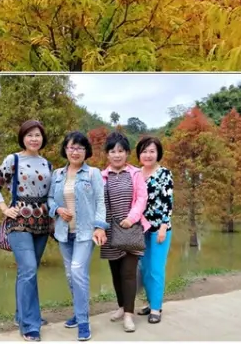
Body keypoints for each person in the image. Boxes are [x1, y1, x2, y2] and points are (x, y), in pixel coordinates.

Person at [0, 120, 54, 342]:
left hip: (42, 223)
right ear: (23, 138)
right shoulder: (13, 159)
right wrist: (4, 209)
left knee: (28, 271)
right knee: (28, 269)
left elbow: (51, 195)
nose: (34, 138)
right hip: (19, 221)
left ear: (42, 138)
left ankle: (22, 315)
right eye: (30, 135)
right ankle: (29, 325)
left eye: (38, 135)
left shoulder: (48, 164)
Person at [47, 132, 109, 342]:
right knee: (69, 275)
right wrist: (56, 209)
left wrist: (100, 227)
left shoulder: (93, 173)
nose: (75, 151)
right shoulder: (56, 174)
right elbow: (48, 199)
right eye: (71, 147)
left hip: (85, 232)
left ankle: (83, 322)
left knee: (77, 271)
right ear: (65, 149)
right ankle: (78, 310)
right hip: (64, 233)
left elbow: (101, 202)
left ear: (86, 151)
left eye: (79, 148)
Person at [100, 132, 150, 333]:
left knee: (129, 273)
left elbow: (142, 198)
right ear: (107, 154)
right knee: (115, 273)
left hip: (131, 227)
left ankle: (129, 315)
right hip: (110, 230)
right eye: (112, 151)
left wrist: (131, 218)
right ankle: (121, 306)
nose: (117, 155)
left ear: (127, 153)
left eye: (121, 151)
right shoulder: (102, 176)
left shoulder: (135, 174)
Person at [136, 135, 174, 324]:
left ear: (158, 153)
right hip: (141, 228)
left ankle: (157, 308)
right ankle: (151, 303)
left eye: (152, 151)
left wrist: (163, 226)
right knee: (144, 268)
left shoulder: (165, 173)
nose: (148, 155)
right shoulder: (135, 173)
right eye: (144, 151)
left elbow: (168, 202)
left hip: (160, 229)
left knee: (156, 269)